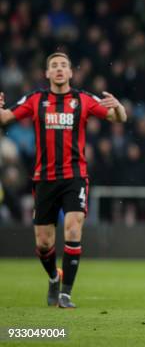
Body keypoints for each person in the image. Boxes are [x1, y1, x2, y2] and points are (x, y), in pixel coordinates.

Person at [0, 52, 127, 308]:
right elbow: (4, 118)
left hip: (75, 177)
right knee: (44, 243)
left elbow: (119, 118)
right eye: (54, 66)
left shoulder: (83, 99)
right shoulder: (36, 99)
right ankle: (52, 276)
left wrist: (119, 106)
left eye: (63, 66)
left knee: (72, 228)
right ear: (47, 74)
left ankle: (66, 294)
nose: (59, 69)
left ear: (70, 73)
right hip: (44, 178)